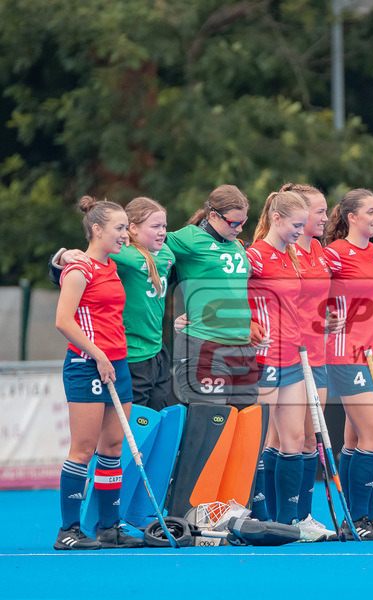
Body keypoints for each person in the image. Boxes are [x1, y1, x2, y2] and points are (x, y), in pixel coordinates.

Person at [245, 190, 334, 542]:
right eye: (296, 224)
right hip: (265, 358)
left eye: (303, 224)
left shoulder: (294, 257)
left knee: (295, 439)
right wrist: (246, 324)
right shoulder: (254, 256)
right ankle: (254, 512)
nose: (301, 230)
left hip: (296, 356)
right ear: (277, 219)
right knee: (259, 437)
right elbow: (225, 290)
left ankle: (288, 523)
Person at [54, 196, 142, 549]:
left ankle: (109, 527)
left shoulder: (111, 268)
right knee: (84, 448)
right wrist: (97, 354)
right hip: (86, 364)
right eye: (120, 228)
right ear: (96, 230)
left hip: (116, 364)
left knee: (112, 446)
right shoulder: (78, 270)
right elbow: (62, 321)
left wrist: (112, 357)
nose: (125, 235)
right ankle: (69, 530)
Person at [53, 198, 177, 410]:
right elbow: (85, 266)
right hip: (129, 352)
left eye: (164, 226)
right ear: (133, 228)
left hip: (157, 349)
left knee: (157, 419)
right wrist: (61, 258)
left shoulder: (167, 252)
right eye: (155, 226)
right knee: (130, 427)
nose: (162, 231)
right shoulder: (121, 256)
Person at [323, 189, 373, 541]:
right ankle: (359, 519)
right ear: (351, 217)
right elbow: (307, 290)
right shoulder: (335, 254)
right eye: (369, 212)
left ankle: (360, 520)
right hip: (345, 353)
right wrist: (323, 314)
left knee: (356, 439)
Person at [169, 185, 263, 408]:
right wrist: (70, 257)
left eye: (243, 222)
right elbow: (143, 246)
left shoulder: (238, 245)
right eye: (234, 223)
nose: (240, 229)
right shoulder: (190, 238)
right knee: (212, 426)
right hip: (205, 345)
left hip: (242, 348)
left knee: (246, 426)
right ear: (213, 215)